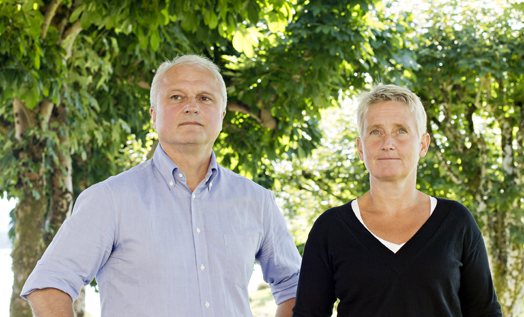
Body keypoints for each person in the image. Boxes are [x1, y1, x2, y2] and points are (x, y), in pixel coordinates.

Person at [21, 55, 301, 317]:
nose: (191, 106)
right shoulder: (109, 199)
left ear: (222, 116)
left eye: (205, 98)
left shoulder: (257, 201)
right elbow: (48, 286)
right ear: (154, 115)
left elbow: (296, 287)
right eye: (176, 96)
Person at [292, 85, 502, 316]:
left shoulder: (456, 221)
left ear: (423, 144)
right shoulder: (330, 228)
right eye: (375, 132)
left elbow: (485, 311)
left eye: (401, 130)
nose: (387, 143)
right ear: (360, 148)